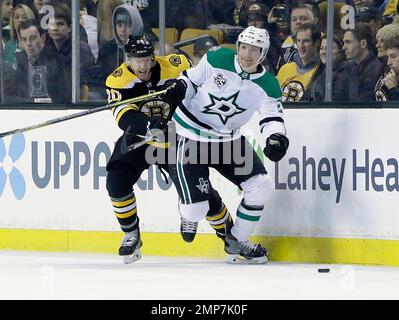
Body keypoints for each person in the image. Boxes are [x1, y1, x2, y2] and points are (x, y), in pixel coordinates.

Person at [163, 26, 289, 264]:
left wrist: (276, 137)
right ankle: (193, 202)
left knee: (260, 186)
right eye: (243, 47)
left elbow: (272, 117)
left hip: (228, 141)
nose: (247, 54)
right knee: (196, 211)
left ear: (263, 53)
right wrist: (180, 88)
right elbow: (191, 80)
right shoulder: (217, 58)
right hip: (191, 135)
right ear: (238, 46)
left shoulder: (269, 85)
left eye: (254, 49)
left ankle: (239, 241)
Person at [105, 34, 233, 264]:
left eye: (146, 59)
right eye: (137, 60)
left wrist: (183, 87)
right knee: (116, 180)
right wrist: (148, 125)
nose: (143, 65)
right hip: (141, 139)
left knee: (199, 192)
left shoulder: (177, 65)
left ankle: (230, 235)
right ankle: (131, 234)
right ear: (128, 59)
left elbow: (201, 86)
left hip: (178, 137)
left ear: (153, 56)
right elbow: (125, 118)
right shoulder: (117, 80)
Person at [15, 19, 68, 103]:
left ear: (42, 38)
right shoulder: (19, 61)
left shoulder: (57, 61)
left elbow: (62, 96)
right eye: (24, 39)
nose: (28, 44)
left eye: (33, 38)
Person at [277, 23, 324, 102]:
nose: (301, 46)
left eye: (306, 41)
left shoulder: (322, 72)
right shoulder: (285, 69)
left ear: (317, 43)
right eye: (298, 41)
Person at [342, 22, 384, 101]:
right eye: (344, 42)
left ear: (363, 44)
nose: (344, 47)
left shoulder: (377, 69)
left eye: (348, 42)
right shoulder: (347, 67)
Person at [310, 33, 348, 101]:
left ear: (341, 51)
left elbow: (333, 102)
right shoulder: (320, 70)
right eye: (321, 48)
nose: (323, 52)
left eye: (328, 48)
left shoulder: (344, 73)